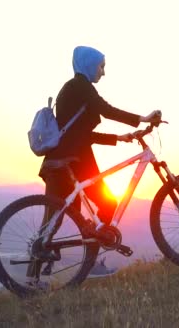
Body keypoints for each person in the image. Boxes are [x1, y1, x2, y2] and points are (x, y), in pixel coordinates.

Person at [39, 46, 160, 227]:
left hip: (60, 159)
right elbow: (106, 110)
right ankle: (96, 236)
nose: (103, 73)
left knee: (53, 221)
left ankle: (86, 242)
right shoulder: (80, 86)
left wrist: (119, 138)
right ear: (88, 64)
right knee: (107, 204)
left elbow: (81, 135)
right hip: (74, 161)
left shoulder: (72, 88)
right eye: (100, 67)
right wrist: (142, 118)